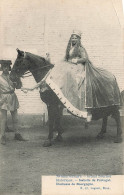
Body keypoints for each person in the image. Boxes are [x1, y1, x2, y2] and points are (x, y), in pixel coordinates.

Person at [21, 30, 120, 121]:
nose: (73, 39)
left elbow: (85, 58)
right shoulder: (70, 49)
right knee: (59, 72)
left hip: (79, 67)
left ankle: (78, 100)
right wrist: (49, 61)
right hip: (70, 66)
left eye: (76, 37)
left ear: (79, 39)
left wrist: (76, 60)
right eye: (72, 37)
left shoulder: (80, 48)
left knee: (72, 76)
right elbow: (63, 60)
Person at [0, 60, 25, 145]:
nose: (6, 68)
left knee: (15, 118)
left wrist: (18, 81)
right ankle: (2, 136)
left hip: (13, 97)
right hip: (3, 99)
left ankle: (17, 134)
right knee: (3, 119)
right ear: (2, 68)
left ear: (9, 68)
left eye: (7, 67)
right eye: (4, 67)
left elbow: (18, 86)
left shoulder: (12, 77)